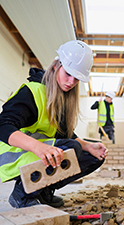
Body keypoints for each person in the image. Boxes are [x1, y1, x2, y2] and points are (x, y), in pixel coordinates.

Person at [0, 40, 108, 208]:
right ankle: (23, 195)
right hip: (9, 155)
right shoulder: (32, 91)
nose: (71, 82)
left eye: (77, 78)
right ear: (56, 66)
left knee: (92, 155)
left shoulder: (61, 98)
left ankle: (43, 190)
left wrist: (88, 146)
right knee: (71, 148)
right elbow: (3, 127)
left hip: (33, 155)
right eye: (68, 73)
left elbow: (65, 136)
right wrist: (39, 148)